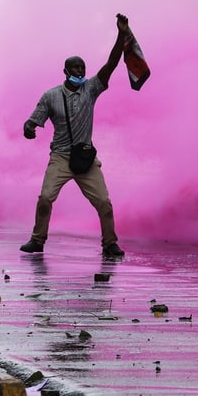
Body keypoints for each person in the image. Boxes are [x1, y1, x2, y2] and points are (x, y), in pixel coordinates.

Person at [20, 13, 130, 257]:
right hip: (60, 157)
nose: (79, 70)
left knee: (104, 203)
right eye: (75, 67)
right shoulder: (50, 96)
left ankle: (110, 244)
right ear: (65, 70)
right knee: (46, 198)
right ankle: (37, 240)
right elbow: (34, 118)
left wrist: (121, 34)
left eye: (82, 67)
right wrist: (29, 127)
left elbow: (111, 64)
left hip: (85, 157)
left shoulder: (90, 89)